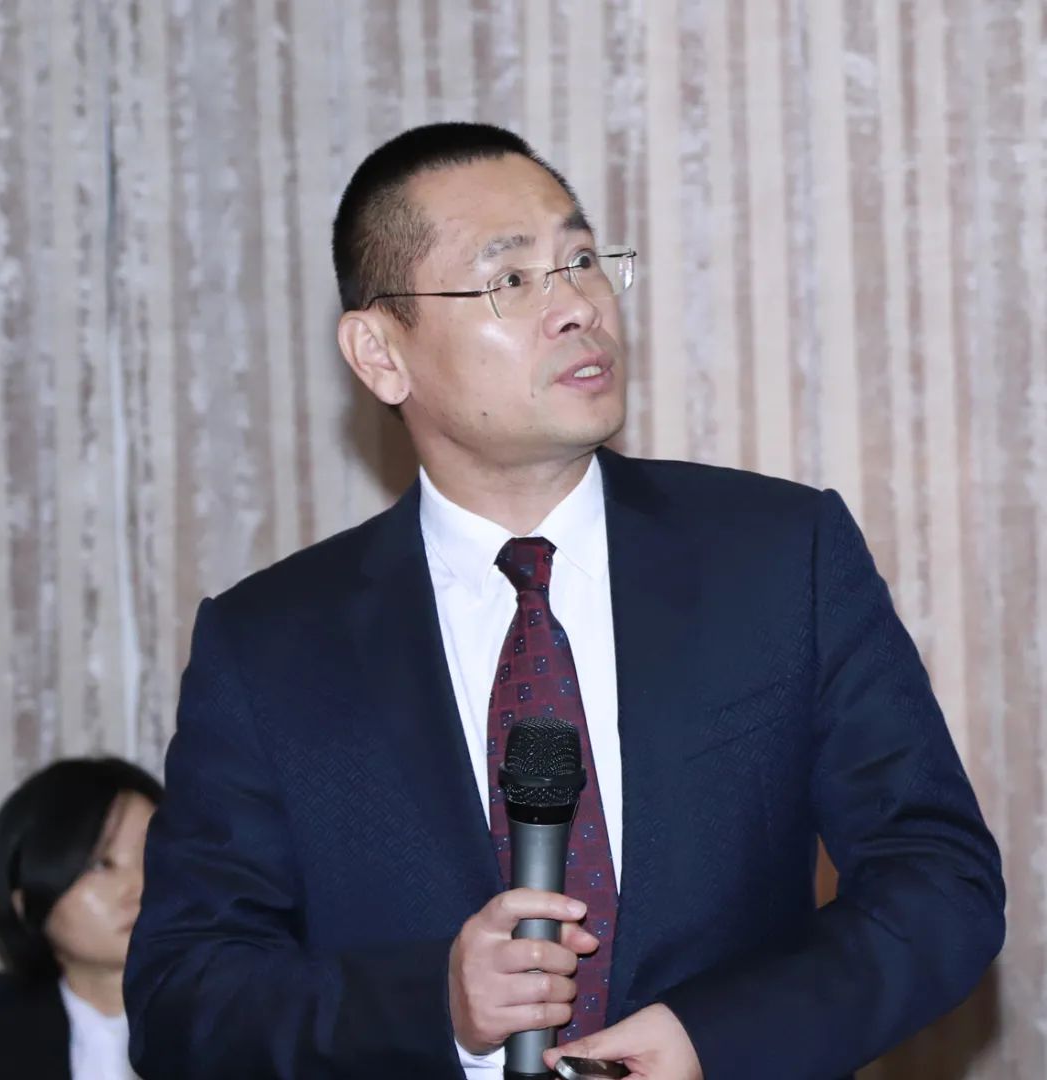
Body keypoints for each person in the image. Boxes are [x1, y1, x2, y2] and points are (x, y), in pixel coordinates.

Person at [124, 122, 1004, 1080]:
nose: (579, 306)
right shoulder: (269, 646)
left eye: (582, 261)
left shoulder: (781, 556)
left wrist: (717, 1040)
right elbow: (183, 998)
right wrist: (435, 1007)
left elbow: (938, 883)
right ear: (379, 353)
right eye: (510, 279)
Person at [0, 756, 162, 1079]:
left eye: (153, 855)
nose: (140, 885)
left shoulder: (239, 1024)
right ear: (26, 903)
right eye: (100, 864)